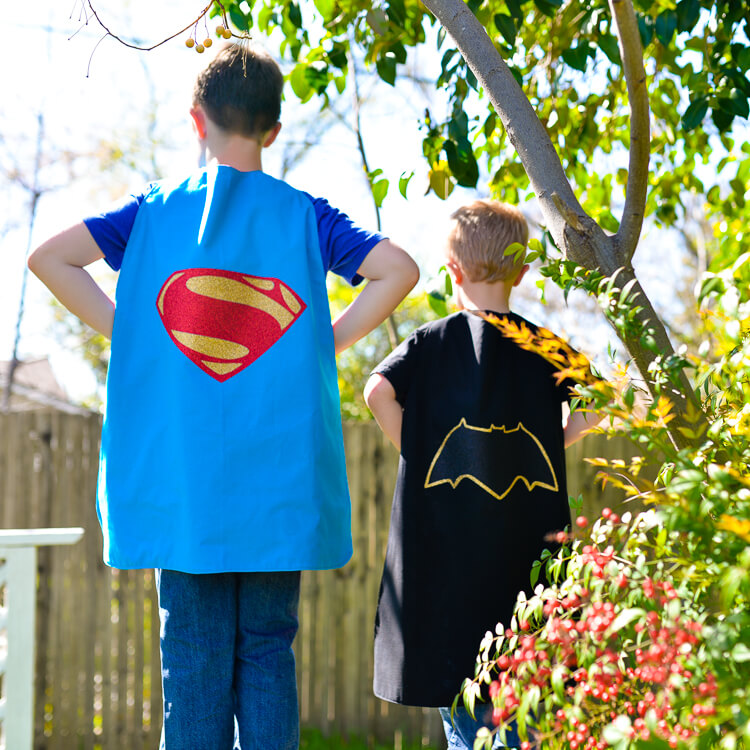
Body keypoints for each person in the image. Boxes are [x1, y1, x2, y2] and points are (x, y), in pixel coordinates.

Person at [29, 43, 419, 750]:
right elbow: (398, 269)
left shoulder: (151, 213)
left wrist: (134, 333)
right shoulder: (307, 215)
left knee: (195, 665)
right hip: (275, 493)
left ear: (195, 122)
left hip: (188, 499)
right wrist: (322, 340)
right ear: (273, 130)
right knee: (268, 654)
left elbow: (47, 258)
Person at [364, 199, 598, 750]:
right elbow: (597, 403)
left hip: (447, 574)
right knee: (526, 703)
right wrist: (552, 444)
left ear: (453, 271)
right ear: (521, 271)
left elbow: (376, 391)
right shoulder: (541, 345)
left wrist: (416, 450)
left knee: (466, 711)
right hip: (525, 567)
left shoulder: (428, 343)